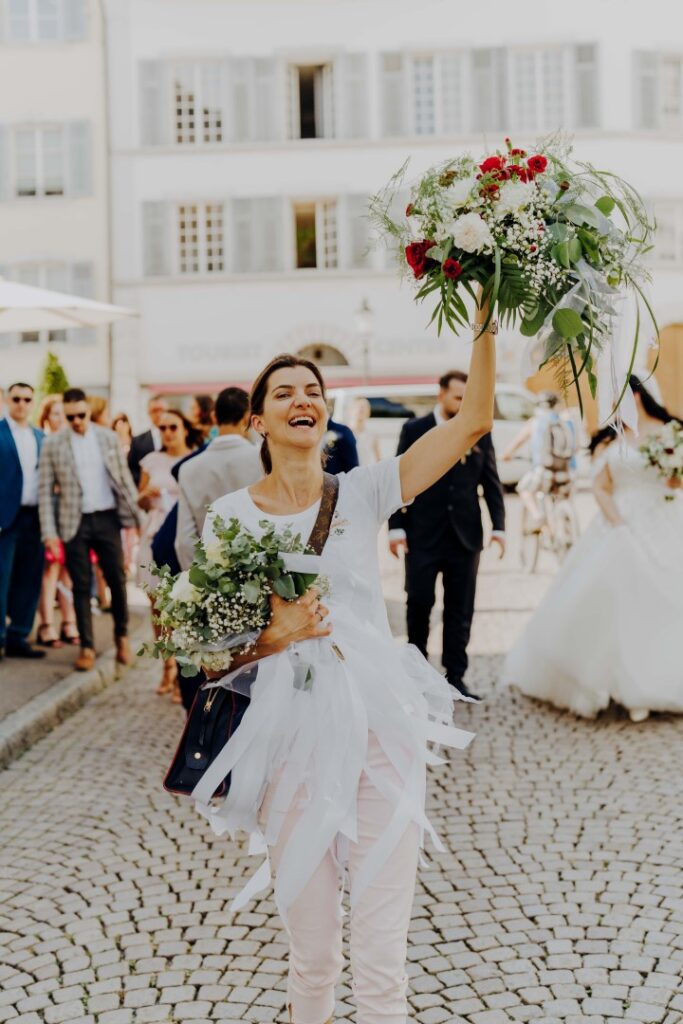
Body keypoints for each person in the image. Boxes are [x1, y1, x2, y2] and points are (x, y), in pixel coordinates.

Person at [196, 301, 495, 1024]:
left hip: (379, 730)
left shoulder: (364, 492)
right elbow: (212, 651)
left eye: (313, 391)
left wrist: (485, 311)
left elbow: (473, 421)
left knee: (382, 952)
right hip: (287, 740)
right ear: (259, 422)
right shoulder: (230, 518)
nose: (303, 398)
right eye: (284, 392)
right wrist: (280, 632)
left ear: (325, 416)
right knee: (315, 956)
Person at [503, 375, 683, 723]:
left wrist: (672, 468)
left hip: (663, 518)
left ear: (638, 395)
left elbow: (674, 483)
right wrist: (617, 523)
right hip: (620, 520)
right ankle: (621, 687)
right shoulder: (610, 439)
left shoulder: (669, 431)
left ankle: (661, 682)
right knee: (617, 601)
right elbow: (600, 487)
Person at [387, 369, 506, 701]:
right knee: (419, 603)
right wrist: (395, 526)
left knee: (460, 609)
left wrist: (499, 527)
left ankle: (456, 676)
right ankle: (416, 672)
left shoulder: (479, 431)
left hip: (465, 537)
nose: (464, 403)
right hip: (422, 534)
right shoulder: (414, 429)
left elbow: (491, 481)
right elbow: (398, 478)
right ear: (441, 395)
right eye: (458, 397)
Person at [38, 387, 142, 672]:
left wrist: (137, 518)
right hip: (74, 522)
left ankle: (122, 636)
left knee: (117, 580)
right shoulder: (53, 444)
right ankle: (87, 646)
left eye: (81, 415)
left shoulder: (107, 437)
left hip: (108, 518)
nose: (77, 421)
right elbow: (45, 492)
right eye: (71, 417)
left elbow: (123, 480)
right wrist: (49, 533)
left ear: (88, 411)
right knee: (81, 586)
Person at [137, 409, 201, 699]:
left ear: (185, 428)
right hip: (155, 533)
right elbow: (140, 501)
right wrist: (146, 496)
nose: (167, 432)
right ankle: (167, 667)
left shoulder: (197, 459)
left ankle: (184, 671)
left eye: (173, 426)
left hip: (185, 538)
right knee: (158, 610)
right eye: (162, 428)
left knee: (185, 609)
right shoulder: (151, 461)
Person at [175, 387, 262, 570]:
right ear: (247, 417)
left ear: (214, 417)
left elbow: (184, 541)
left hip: (210, 575)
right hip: (260, 571)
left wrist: (199, 583)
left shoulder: (188, 469)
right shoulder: (263, 460)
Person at [0, 383, 46, 660]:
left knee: (29, 579)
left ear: (32, 402)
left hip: (35, 518)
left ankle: (19, 635)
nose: (21, 404)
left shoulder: (41, 436)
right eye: (16, 398)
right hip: (5, 519)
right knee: (1, 580)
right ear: (7, 399)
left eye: (27, 399)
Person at [35, 395, 79, 648]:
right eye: (55, 414)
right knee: (50, 569)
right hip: (48, 512)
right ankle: (46, 624)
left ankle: (69, 621)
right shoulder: (42, 442)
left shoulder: (70, 443)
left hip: (69, 513)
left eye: (63, 413)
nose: (61, 418)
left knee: (68, 570)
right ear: (46, 417)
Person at [503, 390, 576, 529]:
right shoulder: (567, 421)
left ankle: (537, 516)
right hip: (567, 473)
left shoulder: (535, 422)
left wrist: (506, 455)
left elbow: (517, 443)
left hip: (543, 472)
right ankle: (564, 527)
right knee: (561, 498)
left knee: (524, 489)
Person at [128, 395, 169, 487]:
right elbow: (132, 469)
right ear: (148, 413)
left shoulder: (179, 437)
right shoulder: (137, 441)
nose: (158, 414)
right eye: (154, 410)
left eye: (161, 410)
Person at [349, 397, 381, 466]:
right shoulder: (345, 433)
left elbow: (378, 460)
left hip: (364, 474)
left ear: (369, 412)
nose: (362, 409)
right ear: (351, 410)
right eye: (359, 406)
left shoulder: (372, 435)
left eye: (365, 407)